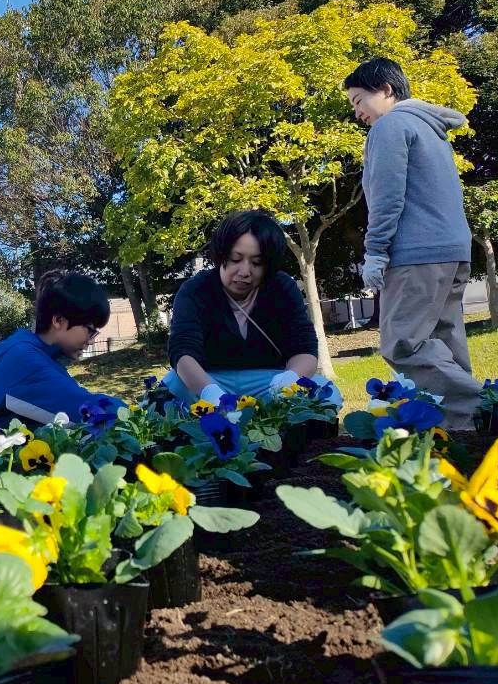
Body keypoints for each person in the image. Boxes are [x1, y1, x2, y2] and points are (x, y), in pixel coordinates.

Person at [345, 57, 480, 428]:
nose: (357, 112)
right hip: (453, 250)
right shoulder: (431, 130)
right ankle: (464, 433)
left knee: (402, 343)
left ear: (386, 89)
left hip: (416, 255)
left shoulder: (390, 126)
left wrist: (375, 252)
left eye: (358, 100)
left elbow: (387, 198)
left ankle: (483, 407)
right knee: (446, 345)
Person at [162, 210, 342, 407]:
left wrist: (290, 378)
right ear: (221, 255)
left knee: (327, 395)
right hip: (208, 381)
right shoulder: (195, 290)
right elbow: (182, 352)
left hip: (270, 383)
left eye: (256, 263)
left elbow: (305, 348)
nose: (244, 272)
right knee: (169, 389)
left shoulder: (282, 288)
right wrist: (209, 392)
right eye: (235, 259)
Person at [0, 270, 110, 448]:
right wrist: (133, 414)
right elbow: (84, 408)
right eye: (90, 330)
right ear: (58, 320)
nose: (91, 340)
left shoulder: (35, 354)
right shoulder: (24, 359)